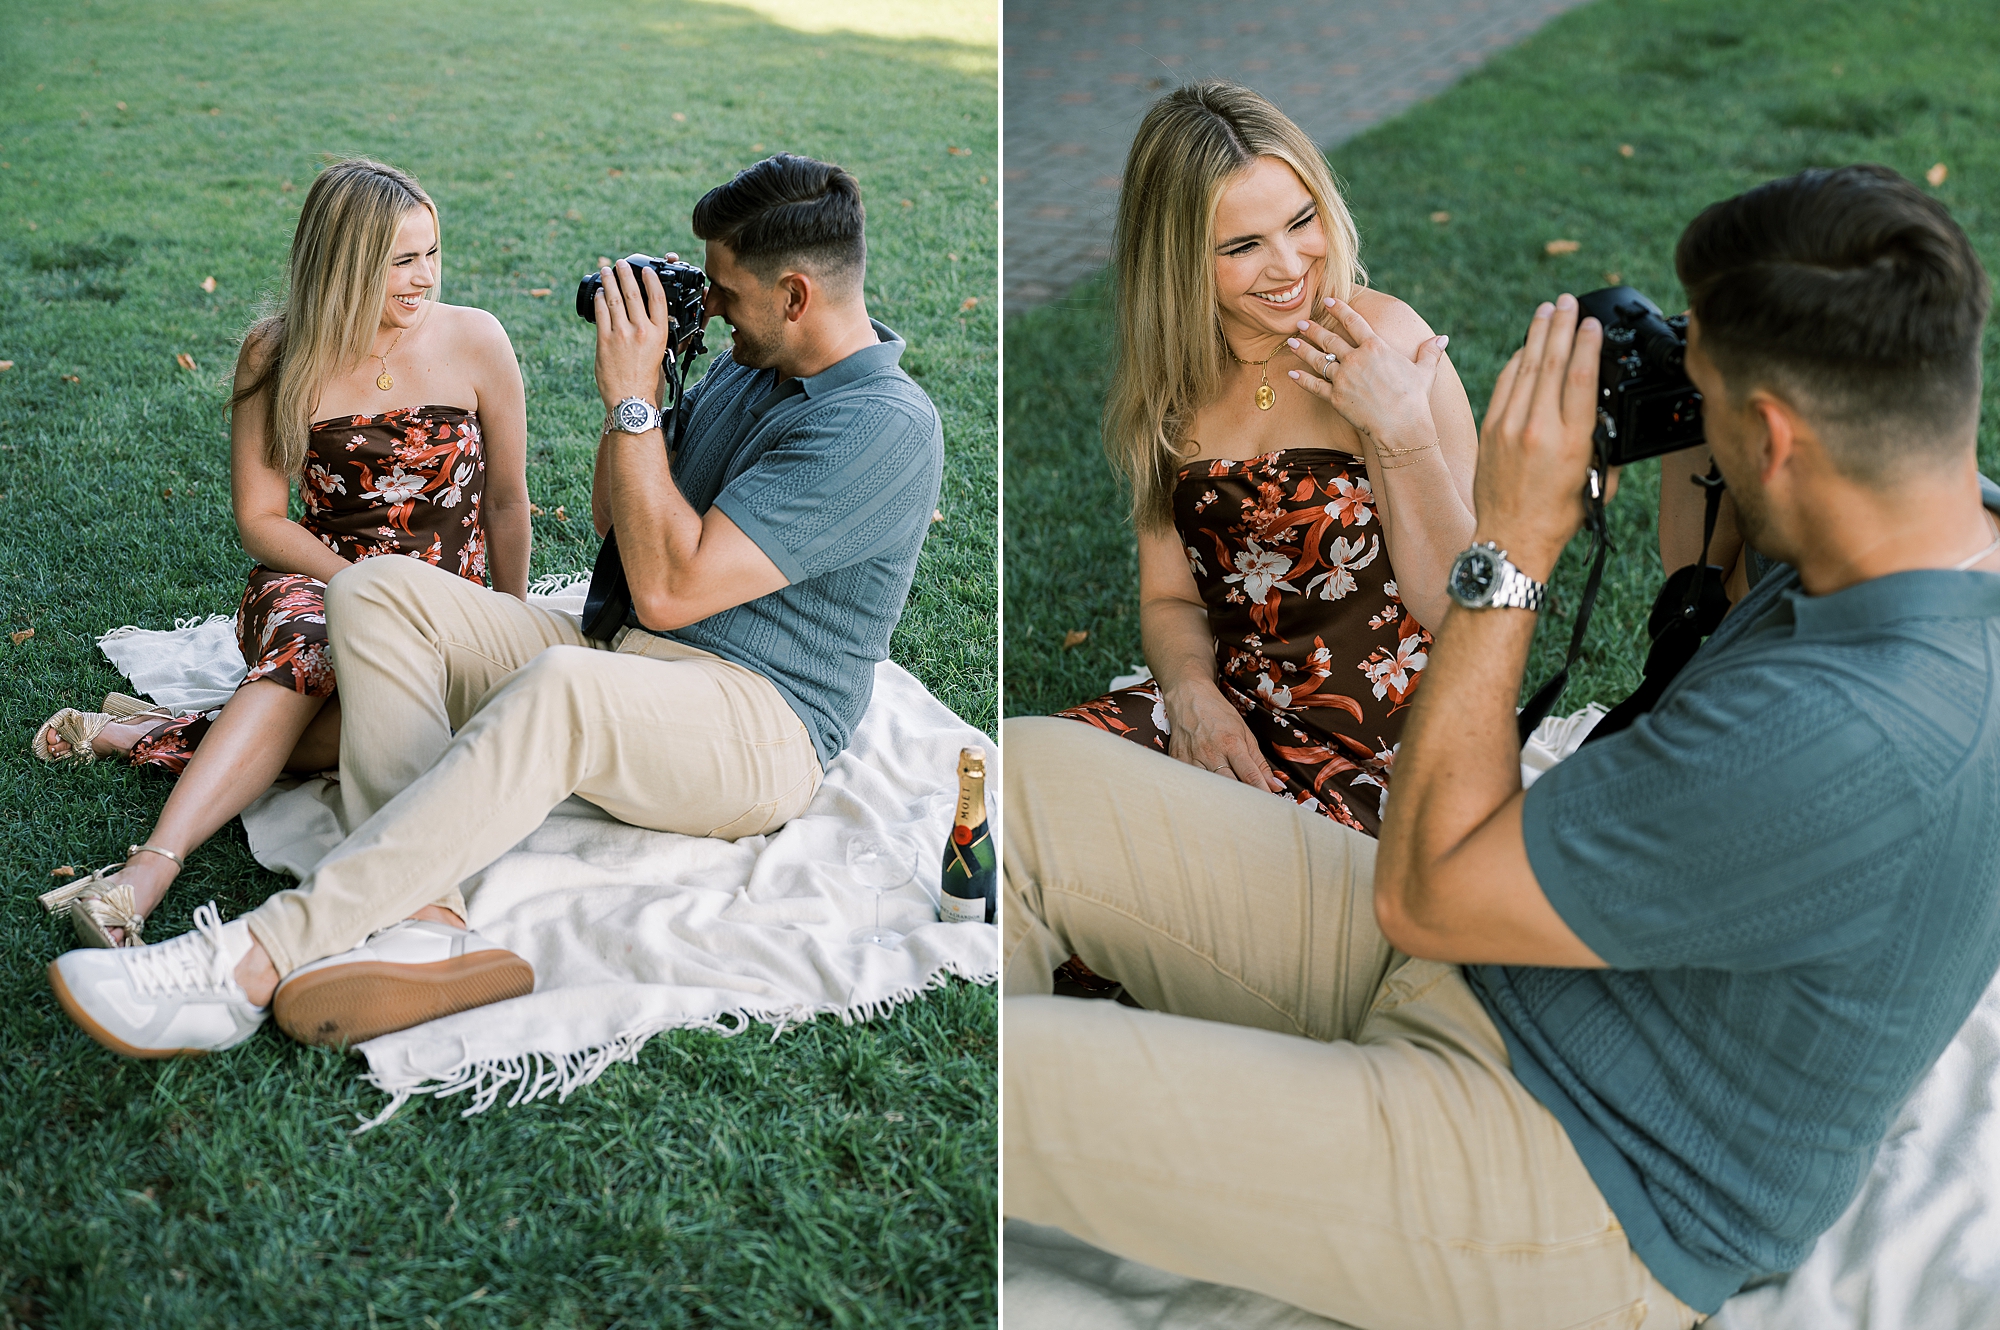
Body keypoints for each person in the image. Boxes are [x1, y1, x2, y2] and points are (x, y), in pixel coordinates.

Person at [1002, 162, 2000, 1329]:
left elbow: (1426, 889)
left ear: (1774, 435)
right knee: (1024, 772)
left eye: (1709, 391)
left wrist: (1514, 543)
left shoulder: (1847, 728)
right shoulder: (1920, 523)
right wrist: (1689, 412)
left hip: (1571, 1167)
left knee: (1001, 1070)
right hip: (1513, 979)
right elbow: (1704, 593)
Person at [47, 152, 945, 1059]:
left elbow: (671, 589)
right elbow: (615, 518)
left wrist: (637, 406)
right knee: (375, 593)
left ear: (794, 295)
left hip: (758, 720)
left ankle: (242, 965)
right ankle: (430, 921)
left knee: (561, 685)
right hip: (628, 657)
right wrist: (640, 401)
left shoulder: (881, 425)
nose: (707, 306)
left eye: (723, 291)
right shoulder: (757, 369)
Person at [36, 158, 529, 950]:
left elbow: (506, 501)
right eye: (402, 260)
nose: (425, 276)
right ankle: (146, 874)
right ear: (343, 262)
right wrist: (363, 587)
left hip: (448, 599)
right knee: (314, 655)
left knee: (393, 721)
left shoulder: (478, 339)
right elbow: (262, 518)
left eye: (432, 252)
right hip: (316, 577)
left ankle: (153, 734)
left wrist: (510, 621)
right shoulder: (277, 353)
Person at [1052, 82, 1475, 839]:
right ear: (1178, 260)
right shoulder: (1172, 386)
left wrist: (1402, 432)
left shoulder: (1384, 343)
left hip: (1383, 746)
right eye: (1242, 246)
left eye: (1301, 221)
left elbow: (1463, 611)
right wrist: (1189, 696)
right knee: (1042, 784)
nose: (1289, 266)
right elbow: (1172, 601)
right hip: (1232, 717)